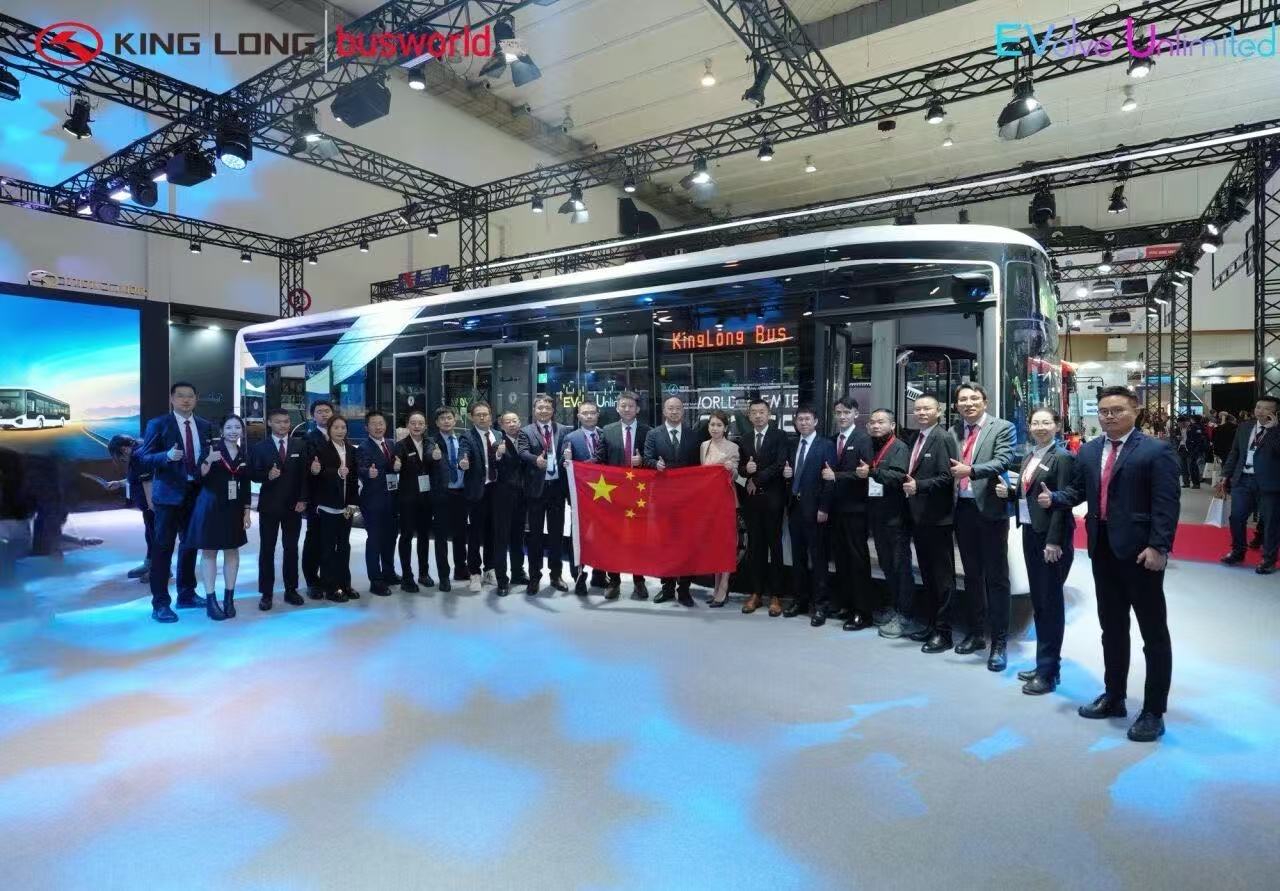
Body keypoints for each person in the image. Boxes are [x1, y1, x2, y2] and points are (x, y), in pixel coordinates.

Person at [1040, 385, 1179, 743]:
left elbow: (1166, 503)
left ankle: (1153, 711)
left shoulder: (1156, 450)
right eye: (1103, 411)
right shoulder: (1088, 450)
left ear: (1135, 411)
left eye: (1117, 410)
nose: (1109, 416)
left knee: (1153, 633)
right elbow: (1079, 491)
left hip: (1141, 554)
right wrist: (1055, 497)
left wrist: (1159, 546)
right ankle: (1114, 696)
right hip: (1102, 551)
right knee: (1112, 629)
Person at [995, 407, 1075, 694]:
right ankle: (1045, 664)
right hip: (1031, 533)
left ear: (1057, 426)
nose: (1040, 427)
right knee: (1040, 604)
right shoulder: (1032, 455)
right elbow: (1029, 493)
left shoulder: (1063, 457)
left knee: (1050, 605)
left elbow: (1063, 503)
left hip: (1050, 541)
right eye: (1035, 423)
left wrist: (1054, 541)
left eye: (1046, 422)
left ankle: (1049, 672)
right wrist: (1010, 493)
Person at [948, 383, 1016, 671]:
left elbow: (1003, 460)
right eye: (963, 399)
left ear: (985, 402)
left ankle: (999, 643)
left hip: (990, 510)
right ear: (957, 405)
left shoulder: (1002, 428)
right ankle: (976, 634)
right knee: (972, 575)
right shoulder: (952, 431)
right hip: (962, 510)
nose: (968, 403)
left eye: (974, 398)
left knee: (996, 578)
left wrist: (971, 470)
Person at [137, 382, 212, 622]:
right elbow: (144, 458)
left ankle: (186, 594)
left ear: (196, 399)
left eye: (190, 396)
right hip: (168, 496)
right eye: (180, 396)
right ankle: (160, 603)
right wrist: (166, 456)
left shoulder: (205, 425)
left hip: (196, 493)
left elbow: (207, 457)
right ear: (172, 399)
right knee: (163, 548)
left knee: (190, 546)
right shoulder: (158, 424)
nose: (186, 400)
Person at [902, 395, 959, 653]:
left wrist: (919, 486)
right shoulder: (916, 437)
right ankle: (932, 625)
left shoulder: (943, 438)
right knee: (927, 575)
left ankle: (944, 633)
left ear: (939, 411)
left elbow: (947, 477)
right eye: (918, 409)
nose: (922, 412)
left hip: (938, 519)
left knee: (943, 578)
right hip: (919, 517)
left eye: (927, 408)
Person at [185, 414, 252, 621]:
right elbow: (198, 476)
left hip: (233, 508)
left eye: (237, 427)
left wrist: (246, 510)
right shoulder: (211, 450)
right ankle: (211, 600)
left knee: (232, 550)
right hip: (210, 507)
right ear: (222, 430)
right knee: (210, 552)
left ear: (242, 431)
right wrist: (208, 460)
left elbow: (245, 484)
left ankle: (229, 598)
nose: (233, 431)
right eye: (229, 427)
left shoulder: (243, 453)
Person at [862, 409, 918, 640]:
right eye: (872, 422)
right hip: (878, 517)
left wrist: (872, 472)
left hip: (896, 519)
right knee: (886, 565)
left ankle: (906, 615)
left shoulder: (899, 447)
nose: (875, 426)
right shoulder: (871, 446)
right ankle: (895, 607)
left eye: (881, 422)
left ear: (892, 425)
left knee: (900, 567)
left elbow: (898, 477)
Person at [644, 395, 703, 606]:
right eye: (670, 408)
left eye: (678, 408)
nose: (674, 411)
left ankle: (684, 589)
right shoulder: (653, 434)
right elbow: (647, 458)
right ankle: (667, 587)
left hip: (688, 499)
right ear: (664, 411)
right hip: (663, 497)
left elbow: (699, 466)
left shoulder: (694, 435)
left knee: (686, 543)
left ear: (683, 411)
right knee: (665, 543)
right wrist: (655, 464)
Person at [781, 405, 836, 625]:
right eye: (800, 419)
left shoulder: (826, 445)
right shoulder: (793, 444)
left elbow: (829, 480)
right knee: (798, 558)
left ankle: (821, 605)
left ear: (816, 422)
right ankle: (800, 600)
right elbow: (792, 475)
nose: (803, 423)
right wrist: (787, 475)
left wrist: (824, 508)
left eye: (807, 419)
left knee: (819, 559)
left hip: (816, 511)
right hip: (795, 508)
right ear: (795, 423)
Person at [250, 408, 308, 610]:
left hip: (294, 506)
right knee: (267, 549)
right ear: (269, 423)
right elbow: (253, 474)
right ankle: (266, 593)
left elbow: (305, 475)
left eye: (286, 421)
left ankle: (291, 590)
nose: (283, 425)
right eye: (278, 422)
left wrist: (303, 499)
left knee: (291, 549)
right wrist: (267, 475)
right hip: (269, 506)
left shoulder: (300, 445)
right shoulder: (260, 447)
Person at [826, 397, 876, 630]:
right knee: (841, 560)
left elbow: (865, 473)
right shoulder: (833, 440)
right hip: (836, 510)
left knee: (858, 561)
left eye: (846, 412)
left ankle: (863, 612)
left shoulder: (864, 439)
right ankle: (846, 605)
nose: (842, 416)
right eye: (838, 412)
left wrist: (836, 476)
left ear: (856, 414)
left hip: (856, 510)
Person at [738, 398, 789, 617]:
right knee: (755, 548)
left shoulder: (780, 436)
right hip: (751, 503)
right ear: (749, 416)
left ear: (769, 414)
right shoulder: (744, 438)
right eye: (754, 412)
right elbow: (740, 469)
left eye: (762, 412)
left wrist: (756, 479)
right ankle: (756, 593)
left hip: (773, 500)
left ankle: (776, 595)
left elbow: (780, 464)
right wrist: (745, 469)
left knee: (774, 547)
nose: (758, 416)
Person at [1218, 395, 1280, 574]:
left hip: (1269, 483)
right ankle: (1238, 551)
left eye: (1266, 408)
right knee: (1236, 517)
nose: (1260, 411)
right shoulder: (1245, 427)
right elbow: (1235, 452)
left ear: (1275, 412)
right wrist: (1225, 474)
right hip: (1243, 480)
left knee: (1271, 522)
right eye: (1258, 407)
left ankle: (1268, 559)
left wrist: (1273, 430)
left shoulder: (1277, 431)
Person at [518, 395, 572, 595]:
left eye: (547, 408)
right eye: (540, 408)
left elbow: (569, 451)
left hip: (557, 489)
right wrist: (535, 460)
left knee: (557, 534)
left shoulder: (564, 430)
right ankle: (534, 577)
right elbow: (522, 452)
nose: (544, 411)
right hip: (536, 491)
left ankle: (556, 575)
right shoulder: (526, 431)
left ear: (553, 410)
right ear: (534, 410)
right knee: (535, 536)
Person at [600, 391, 650, 600]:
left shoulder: (648, 431)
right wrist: (573, 464)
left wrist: (643, 461)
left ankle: (639, 580)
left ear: (637, 409)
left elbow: (653, 460)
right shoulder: (607, 431)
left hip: (639, 494)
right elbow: (600, 460)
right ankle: (614, 581)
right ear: (617, 408)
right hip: (614, 494)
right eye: (623, 405)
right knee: (614, 538)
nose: (627, 409)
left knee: (638, 538)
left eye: (631, 406)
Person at [309, 414, 360, 602]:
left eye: (343, 427)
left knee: (344, 547)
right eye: (336, 427)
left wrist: (353, 503)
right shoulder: (322, 450)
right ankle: (331, 587)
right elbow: (317, 475)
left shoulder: (351, 450)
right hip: (328, 507)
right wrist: (336, 473)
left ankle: (345, 584)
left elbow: (354, 479)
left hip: (346, 508)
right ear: (329, 430)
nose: (340, 431)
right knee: (328, 548)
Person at [562, 400, 610, 596]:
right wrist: (566, 460)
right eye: (585, 413)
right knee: (579, 535)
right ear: (579, 416)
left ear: (598, 414)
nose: (589, 416)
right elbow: (564, 466)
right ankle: (579, 576)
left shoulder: (606, 435)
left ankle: (600, 574)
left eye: (592, 412)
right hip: (581, 496)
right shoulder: (570, 437)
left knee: (602, 536)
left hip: (605, 495)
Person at [700, 410, 741, 607]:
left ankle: (724, 586)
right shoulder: (704, 446)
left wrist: (731, 470)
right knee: (714, 545)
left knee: (726, 544)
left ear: (725, 428)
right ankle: (716, 587)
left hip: (726, 501)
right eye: (712, 424)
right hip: (709, 503)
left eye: (718, 425)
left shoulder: (733, 447)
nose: (715, 428)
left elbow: (736, 476)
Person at [358, 410, 402, 596]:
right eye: (374, 424)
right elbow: (360, 468)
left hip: (392, 500)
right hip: (373, 501)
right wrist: (368, 473)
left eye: (381, 423)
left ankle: (388, 572)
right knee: (375, 541)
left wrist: (398, 466)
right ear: (366, 427)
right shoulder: (363, 447)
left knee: (390, 538)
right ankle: (375, 580)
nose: (378, 427)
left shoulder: (391, 444)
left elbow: (396, 465)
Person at [394, 410, 438, 593]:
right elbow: (394, 467)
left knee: (424, 537)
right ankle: (407, 576)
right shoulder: (401, 445)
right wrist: (396, 466)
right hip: (407, 499)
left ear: (425, 426)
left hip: (426, 498)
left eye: (420, 423)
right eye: (413, 423)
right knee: (406, 536)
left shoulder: (431, 443)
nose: (417, 426)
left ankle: (424, 573)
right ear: (408, 425)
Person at [462, 401, 502, 592]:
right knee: (475, 534)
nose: (482, 417)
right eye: (478, 414)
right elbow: (464, 453)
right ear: (472, 417)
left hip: (496, 490)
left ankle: (490, 569)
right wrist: (462, 462)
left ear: (490, 416)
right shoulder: (467, 436)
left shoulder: (498, 435)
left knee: (492, 532)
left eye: (485, 414)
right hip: (478, 490)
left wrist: (501, 455)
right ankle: (474, 572)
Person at [429, 407, 469, 592]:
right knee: (441, 537)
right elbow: (427, 456)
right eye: (442, 418)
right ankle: (444, 576)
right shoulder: (431, 441)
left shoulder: (462, 439)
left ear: (455, 420)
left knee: (461, 534)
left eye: (449, 418)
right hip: (442, 494)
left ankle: (461, 569)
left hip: (461, 493)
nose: (446, 421)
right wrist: (433, 456)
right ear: (437, 423)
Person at [298, 400, 334, 599]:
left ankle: (329, 578)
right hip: (316, 498)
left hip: (336, 498)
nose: (324, 414)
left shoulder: (339, 435)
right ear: (313, 416)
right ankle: (312, 580)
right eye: (319, 412)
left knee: (332, 540)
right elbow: (304, 471)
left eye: (327, 411)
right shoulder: (308, 439)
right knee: (314, 539)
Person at [486, 410, 524, 595]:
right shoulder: (497, 444)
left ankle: (518, 573)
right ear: (501, 425)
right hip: (502, 498)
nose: (512, 424)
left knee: (518, 537)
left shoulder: (525, 441)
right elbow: (491, 467)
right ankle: (502, 579)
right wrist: (498, 455)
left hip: (522, 497)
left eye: (514, 420)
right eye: (507, 422)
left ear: (520, 422)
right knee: (501, 539)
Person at [107, 434, 153, 582]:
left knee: (157, 537)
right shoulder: (137, 452)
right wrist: (119, 483)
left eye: (119, 456)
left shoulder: (139, 455)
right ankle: (150, 564)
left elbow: (148, 481)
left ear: (124, 449)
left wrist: (152, 508)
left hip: (152, 506)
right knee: (150, 536)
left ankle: (161, 570)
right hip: (148, 507)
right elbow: (137, 477)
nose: (121, 460)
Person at [1175, 416, 1208, 488]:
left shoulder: (1194, 427)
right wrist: (1178, 439)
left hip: (1191, 449)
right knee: (1183, 467)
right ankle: (1186, 483)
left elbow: (1199, 439)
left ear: (1184, 422)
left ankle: (1196, 483)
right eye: (1178, 424)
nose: (1179, 425)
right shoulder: (1177, 429)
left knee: (1192, 466)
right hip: (1181, 448)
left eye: (1180, 424)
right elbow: (1174, 437)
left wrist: (1196, 450)